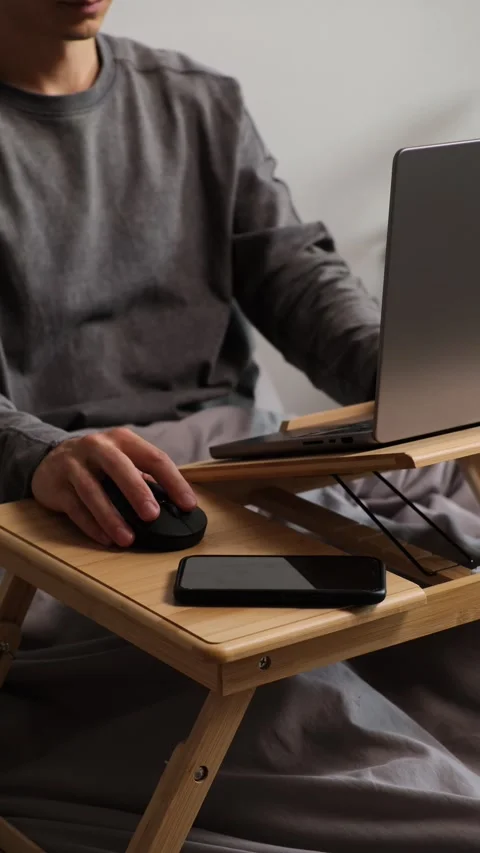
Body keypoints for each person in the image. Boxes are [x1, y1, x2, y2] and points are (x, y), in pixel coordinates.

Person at [1, 3, 480, 853]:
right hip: (65, 502)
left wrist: (412, 377)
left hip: (239, 459)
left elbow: (300, 278)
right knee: (297, 702)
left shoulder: (198, 101)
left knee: (450, 574)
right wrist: (39, 453)